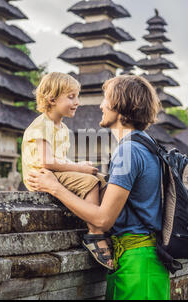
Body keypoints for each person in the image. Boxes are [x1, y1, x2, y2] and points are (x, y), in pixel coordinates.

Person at [27, 75, 170, 300]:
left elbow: (103, 220)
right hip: (136, 259)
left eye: (105, 99)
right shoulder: (146, 144)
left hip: (138, 264)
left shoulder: (128, 150)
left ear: (121, 106)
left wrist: (55, 187)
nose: (101, 105)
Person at [21, 72, 113, 270]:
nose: (77, 102)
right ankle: (95, 233)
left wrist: (81, 166)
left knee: (100, 178)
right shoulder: (41, 124)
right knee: (90, 182)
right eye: (71, 97)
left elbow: (60, 160)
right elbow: (46, 161)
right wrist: (79, 167)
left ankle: (101, 223)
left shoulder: (61, 128)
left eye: (77, 96)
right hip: (42, 176)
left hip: (55, 173)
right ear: (52, 99)